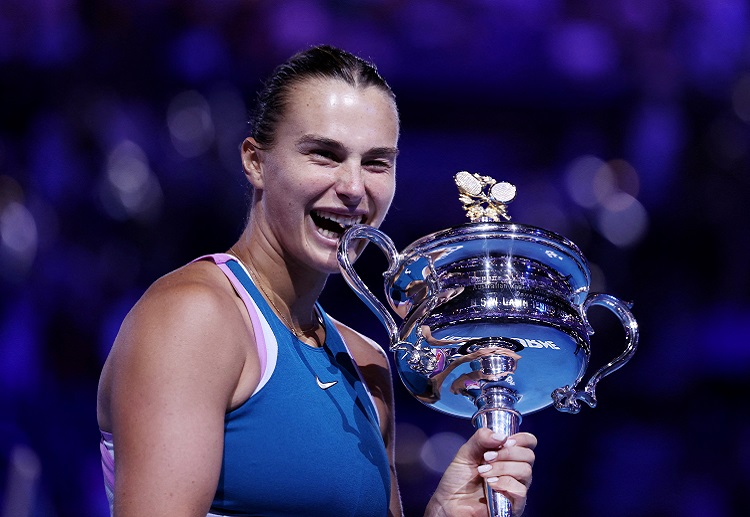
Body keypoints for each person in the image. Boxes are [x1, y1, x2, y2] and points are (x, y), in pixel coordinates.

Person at [97, 44, 536, 517]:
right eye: (325, 154)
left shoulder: (367, 364)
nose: (352, 188)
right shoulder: (195, 317)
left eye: (375, 163)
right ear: (255, 161)